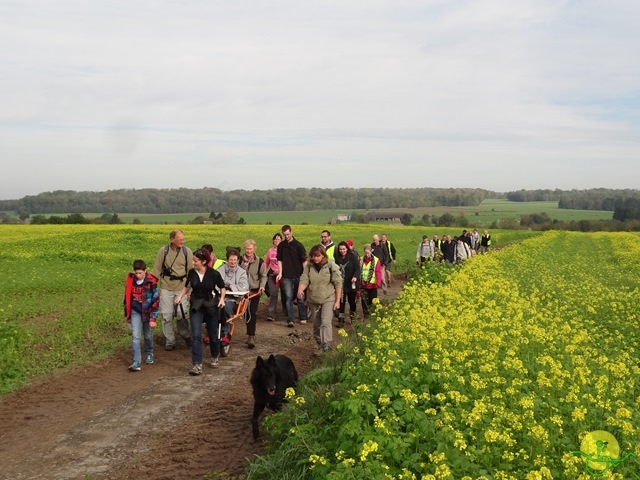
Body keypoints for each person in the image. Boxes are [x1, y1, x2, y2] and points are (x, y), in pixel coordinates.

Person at [175, 249, 226, 375]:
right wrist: (180, 296)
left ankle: (215, 355)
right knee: (196, 335)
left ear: (204, 262)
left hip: (210, 306)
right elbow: (187, 286)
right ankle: (197, 364)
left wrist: (222, 300)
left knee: (213, 335)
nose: (193, 263)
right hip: (196, 306)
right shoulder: (192, 273)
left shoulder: (214, 274)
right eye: (193, 260)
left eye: (195, 261)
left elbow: (222, 288)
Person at [152, 229, 193, 351]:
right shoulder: (163, 251)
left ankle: (185, 335)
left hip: (182, 288)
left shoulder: (187, 252)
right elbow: (157, 270)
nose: (182, 241)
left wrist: (190, 289)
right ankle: (170, 341)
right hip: (166, 287)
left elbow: (191, 272)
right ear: (172, 239)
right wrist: (152, 288)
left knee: (181, 315)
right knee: (166, 315)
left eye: (183, 239)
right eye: (180, 239)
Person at [297, 244, 342, 353]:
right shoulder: (309, 266)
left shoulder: (331, 266)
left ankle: (326, 345)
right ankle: (319, 344)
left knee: (325, 322)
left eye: (318, 256)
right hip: (313, 298)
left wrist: (337, 300)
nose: (315, 258)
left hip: (328, 298)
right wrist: (300, 289)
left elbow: (338, 283)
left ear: (323, 255)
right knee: (316, 323)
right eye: (313, 256)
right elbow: (304, 279)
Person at [123, 259, 159, 371]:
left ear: (145, 271)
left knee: (148, 335)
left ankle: (149, 353)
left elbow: (156, 300)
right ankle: (136, 362)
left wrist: (153, 318)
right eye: (136, 273)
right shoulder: (131, 281)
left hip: (148, 312)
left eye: (140, 273)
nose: (138, 275)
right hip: (135, 312)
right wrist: (127, 315)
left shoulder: (151, 282)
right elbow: (127, 298)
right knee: (135, 336)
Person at [276, 225, 308, 327]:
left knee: (300, 297)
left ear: (292, 232)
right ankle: (290, 319)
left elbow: (304, 261)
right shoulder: (281, 246)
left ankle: (303, 317)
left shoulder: (298, 245)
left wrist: (305, 274)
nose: (286, 236)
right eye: (285, 235)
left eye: (288, 234)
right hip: (286, 275)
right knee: (288, 297)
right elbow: (279, 260)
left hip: (298, 275)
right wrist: (280, 272)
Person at [217, 248, 249, 343]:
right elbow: (217, 282)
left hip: (233, 299)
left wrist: (230, 286)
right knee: (212, 308)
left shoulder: (242, 272)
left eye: (235, 260)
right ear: (227, 260)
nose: (233, 262)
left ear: (238, 260)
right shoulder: (220, 269)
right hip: (219, 297)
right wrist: (225, 286)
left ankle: (226, 332)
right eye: (231, 259)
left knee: (226, 307)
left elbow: (244, 286)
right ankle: (212, 331)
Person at [241, 239, 267, 348]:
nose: (248, 251)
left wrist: (262, 286)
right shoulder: (239, 261)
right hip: (242, 292)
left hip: (254, 291)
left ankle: (251, 336)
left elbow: (263, 276)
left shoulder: (259, 261)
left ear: (254, 249)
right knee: (245, 312)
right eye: (247, 248)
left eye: (250, 249)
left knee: (252, 312)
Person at [334, 241, 360, 326]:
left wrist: (355, 277)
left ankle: (353, 318)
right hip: (341, 283)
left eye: (344, 249)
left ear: (347, 249)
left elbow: (357, 269)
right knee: (341, 301)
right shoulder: (337, 258)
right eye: (340, 249)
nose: (342, 251)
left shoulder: (353, 257)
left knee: (351, 301)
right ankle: (341, 320)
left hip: (351, 283)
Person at [264, 233, 286, 321]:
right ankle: (271, 313)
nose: (277, 241)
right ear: (273, 241)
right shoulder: (270, 251)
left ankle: (286, 311)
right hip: (272, 274)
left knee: (285, 294)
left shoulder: (285, 250)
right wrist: (263, 272)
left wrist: (281, 271)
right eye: (275, 239)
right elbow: (266, 263)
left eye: (279, 239)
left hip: (283, 274)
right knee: (273, 294)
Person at [359, 244, 383, 317]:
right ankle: (366, 317)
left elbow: (378, 272)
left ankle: (373, 316)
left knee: (372, 302)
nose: (367, 254)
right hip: (363, 285)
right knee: (364, 303)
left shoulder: (376, 260)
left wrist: (378, 282)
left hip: (373, 285)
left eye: (368, 253)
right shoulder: (360, 260)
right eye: (366, 253)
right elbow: (358, 271)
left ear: (371, 251)